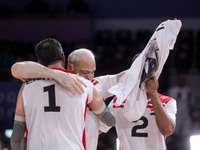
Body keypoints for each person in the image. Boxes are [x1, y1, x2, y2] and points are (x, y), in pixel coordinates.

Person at [10, 38, 116, 150]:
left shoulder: (26, 86)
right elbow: (109, 120)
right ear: (63, 57)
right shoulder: (84, 84)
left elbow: (17, 137)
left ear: (39, 63)